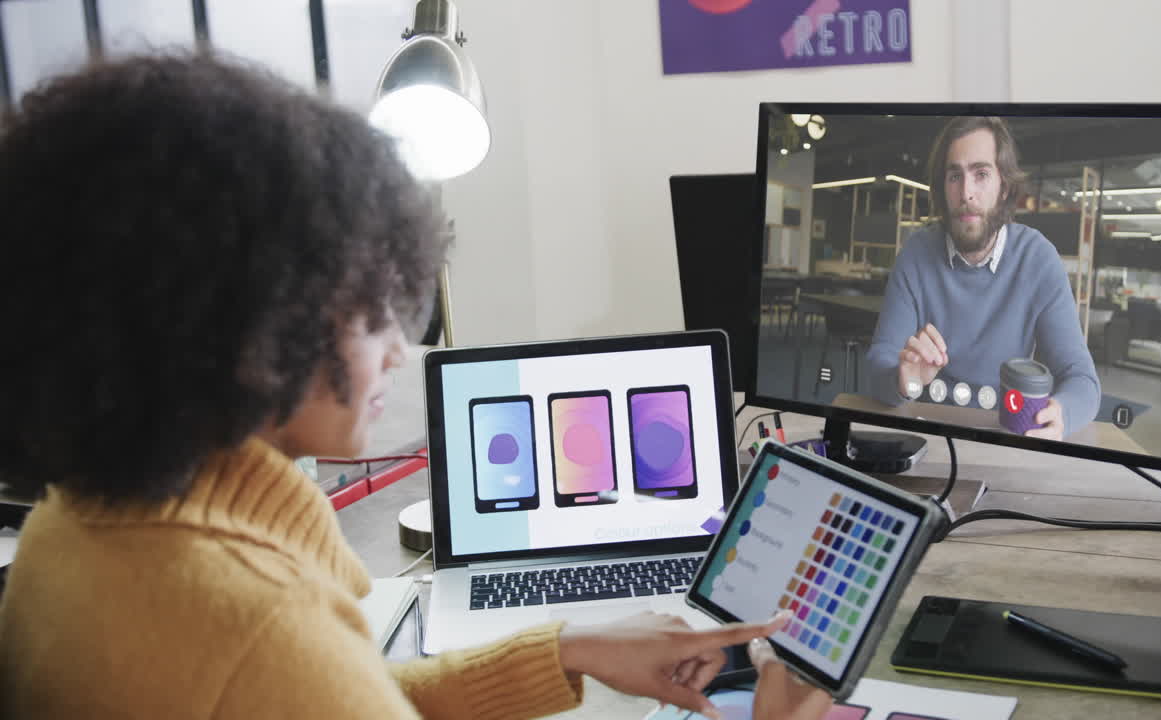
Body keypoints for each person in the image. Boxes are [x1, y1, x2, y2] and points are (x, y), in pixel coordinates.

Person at [0, 55, 833, 720]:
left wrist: (568, 649)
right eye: (369, 308)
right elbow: (300, 681)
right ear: (242, 316)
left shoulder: (69, 525)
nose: (402, 349)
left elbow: (346, 696)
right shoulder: (255, 628)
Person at [865, 116, 1101, 440]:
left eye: (981, 174)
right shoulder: (916, 254)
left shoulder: (1038, 259)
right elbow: (879, 365)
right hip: (928, 433)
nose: (966, 192)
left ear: (1004, 187)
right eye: (954, 176)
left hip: (1006, 432)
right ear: (942, 188)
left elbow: (1083, 380)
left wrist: (1060, 413)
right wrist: (903, 379)